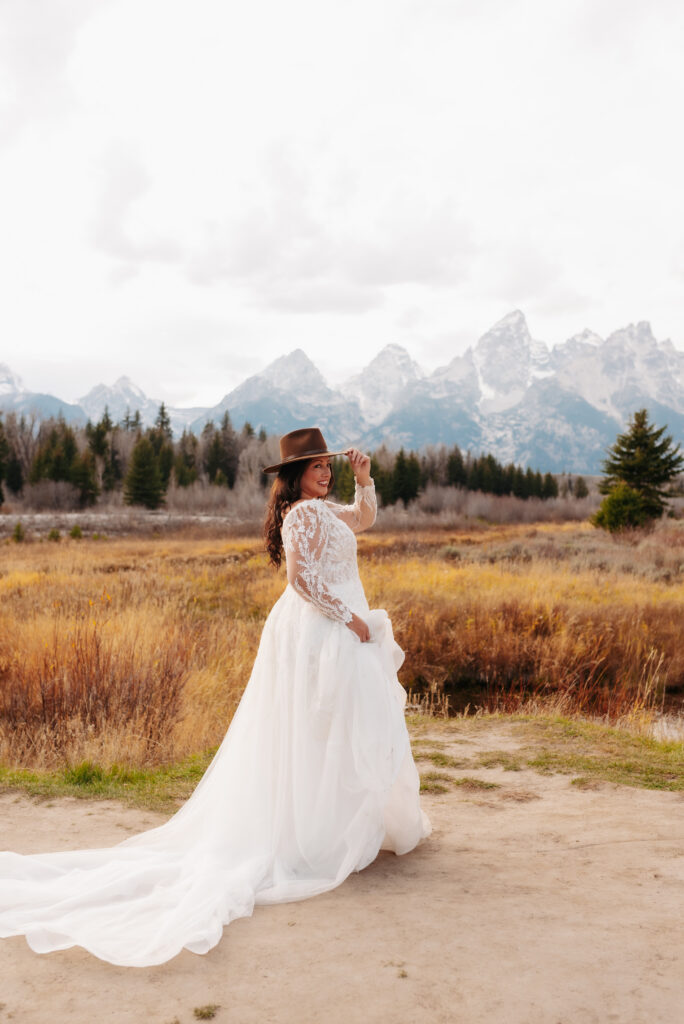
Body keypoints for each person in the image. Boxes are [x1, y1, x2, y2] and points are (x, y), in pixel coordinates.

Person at [0, 427, 430, 967]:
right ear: (295, 475)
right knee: (314, 726)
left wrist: (366, 481)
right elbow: (300, 581)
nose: (326, 472)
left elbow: (364, 519)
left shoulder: (326, 510)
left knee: (339, 725)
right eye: (316, 466)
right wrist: (352, 622)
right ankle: (311, 837)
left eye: (327, 465)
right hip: (323, 628)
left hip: (341, 627)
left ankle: (338, 825)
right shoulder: (300, 515)